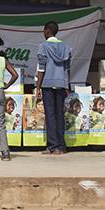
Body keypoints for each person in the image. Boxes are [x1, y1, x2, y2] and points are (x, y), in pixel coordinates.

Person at [35, 21, 73, 155]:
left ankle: (53, 146)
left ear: (47, 31)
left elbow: (41, 68)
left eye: (44, 31)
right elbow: (67, 69)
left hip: (47, 84)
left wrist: (38, 86)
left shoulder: (43, 47)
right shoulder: (66, 47)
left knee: (50, 115)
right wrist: (67, 85)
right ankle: (61, 146)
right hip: (61, 84)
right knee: (60, 115)